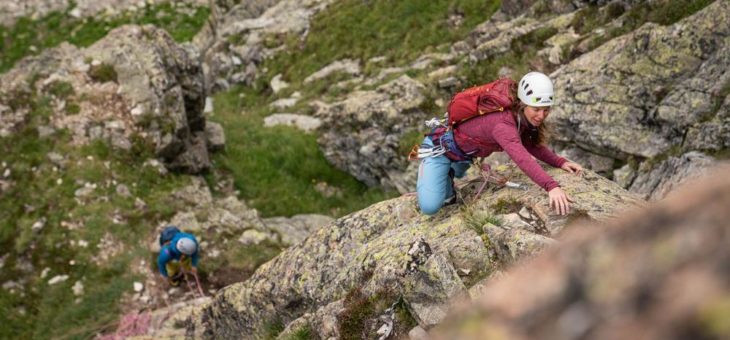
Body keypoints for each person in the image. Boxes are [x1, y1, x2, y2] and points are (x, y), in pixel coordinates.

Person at [416, 71, 583, 215]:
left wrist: (560, 162)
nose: (541, 115)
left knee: (458, 175)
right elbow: (522, 158)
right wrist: (551, 186)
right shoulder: (503, 124)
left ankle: (447, 174)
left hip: (465, 155)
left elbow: (531, 145)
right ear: (524, 104)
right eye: (536, 109)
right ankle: (437, 172)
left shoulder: (520, 116)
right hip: (439, 149)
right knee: (431, 206)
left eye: (546, 110)